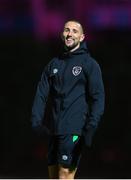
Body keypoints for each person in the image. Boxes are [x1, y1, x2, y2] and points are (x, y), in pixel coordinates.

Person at [31, 20, 105, 179]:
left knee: (65, 174)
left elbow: (98, 98)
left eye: (74, 31)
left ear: (82, 37)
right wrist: (36, 121)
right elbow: (41, 94)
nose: (70, 34)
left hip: (74, 129)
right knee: (54, 176)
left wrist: (91, 127)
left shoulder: (89, 64)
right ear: (62, 34)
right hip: (54, 130)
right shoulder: (53, 64)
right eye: (66, 30)